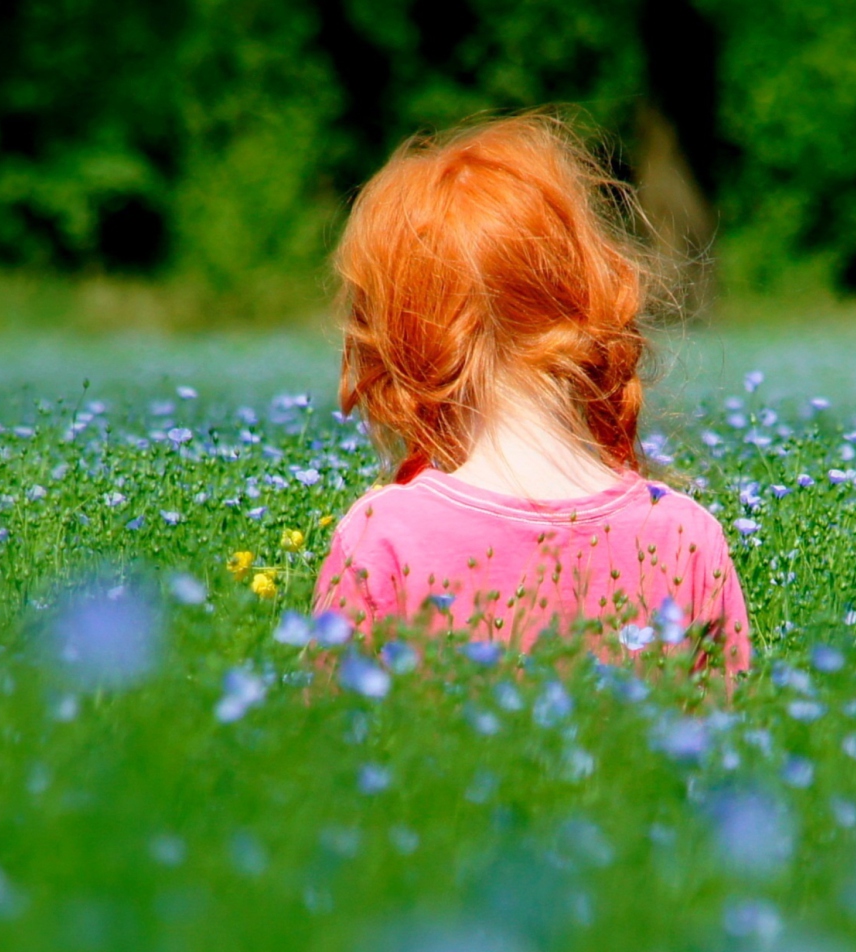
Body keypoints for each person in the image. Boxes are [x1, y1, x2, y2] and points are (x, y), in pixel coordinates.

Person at [312, 113, 750, 676]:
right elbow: (726, 747)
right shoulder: (687, 539)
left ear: (399, 346)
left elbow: (322, 746)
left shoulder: (384, 539)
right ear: (590, 294)